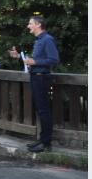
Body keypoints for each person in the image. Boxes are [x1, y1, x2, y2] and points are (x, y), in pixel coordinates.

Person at [8, 15, 60, 153]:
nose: (28, 26)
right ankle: (42, 141)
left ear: (38, 24)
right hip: (36, 77)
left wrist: (35, 62)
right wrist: (19, 57)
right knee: (41, 110)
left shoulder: (47, 39)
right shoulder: (39, 40)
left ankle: (46, 143)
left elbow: (54, 59)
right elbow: (34, 61)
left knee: (44, 111)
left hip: (42, 78)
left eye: (30, 23)